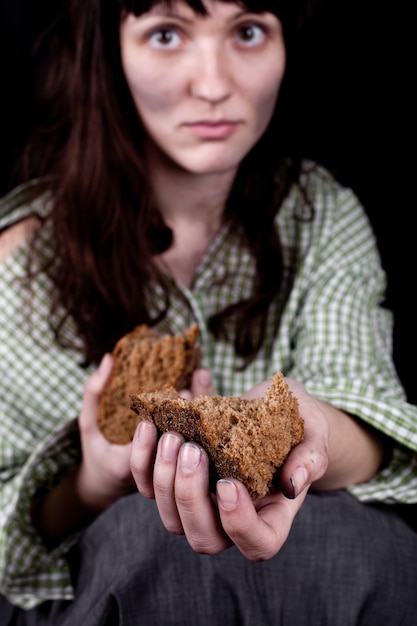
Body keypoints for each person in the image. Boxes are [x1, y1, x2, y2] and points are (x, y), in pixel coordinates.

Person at [0, 0, 416, 623]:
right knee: (153, 545)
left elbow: (376, 422)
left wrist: (313, 431)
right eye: (166, 34)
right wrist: (94, 482)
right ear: (109, 54)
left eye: (247, 32)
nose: (215, 84)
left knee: (361, 542)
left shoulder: (321, 216)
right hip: (103, 600)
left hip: (324, 591)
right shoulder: (23, 261)